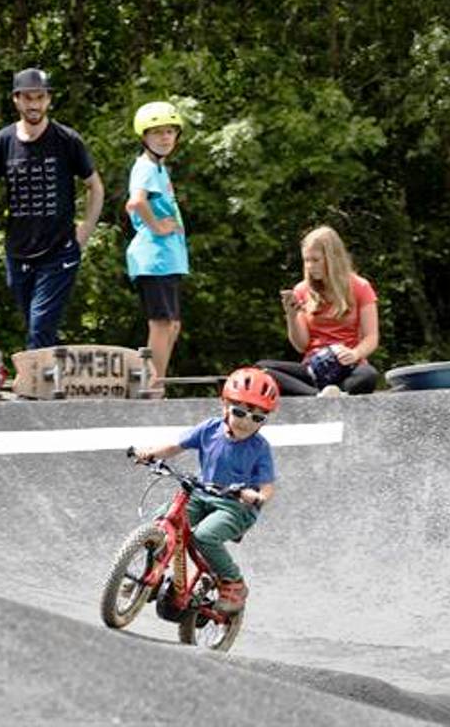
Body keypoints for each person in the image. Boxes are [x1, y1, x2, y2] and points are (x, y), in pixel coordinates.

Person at [0, 67, 104, 349]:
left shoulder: (67, 140)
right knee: (37, 324)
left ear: (48, 100)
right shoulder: (2, 142)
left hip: (60, 249)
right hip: (18, 250)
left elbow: (95, 186)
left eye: (40, 97)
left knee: (40, 323)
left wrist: (85, 230)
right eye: (28, 98)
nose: (34, 105)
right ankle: (56, 378)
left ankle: (33, 389)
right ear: (16, 100)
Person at [131, 367, 280, 614]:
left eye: (258, 418)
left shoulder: (259, 448)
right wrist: (149, 453)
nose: (246, 422)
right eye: (240, 412)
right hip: (203, 494)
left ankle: (234, 583)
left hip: (236, 507)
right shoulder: (209, 430)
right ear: (225, 405)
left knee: (204, 536)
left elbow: (267, 486)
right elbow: (175, 446)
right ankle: (151, 574)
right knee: (163, 521)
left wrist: (258, 497)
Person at [258, 225, 380, 396]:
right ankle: (318, 395)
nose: (309, 266)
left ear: (332, 259)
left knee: (369, 375)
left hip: (348, 365)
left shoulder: (361, 287)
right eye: (306, 260)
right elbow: (301, 346)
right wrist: (291, 316)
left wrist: (355, 353)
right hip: (312, 369)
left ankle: (335, 392)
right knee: (261, 369)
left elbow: (371, 337)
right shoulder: (301, 290)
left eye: (315, 260)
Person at [125, 102, 188, 383]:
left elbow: (133, 205)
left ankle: (155, 381)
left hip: (168, 258)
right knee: (162, 323)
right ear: (144, 137)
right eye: (157, 133)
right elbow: (136, 201)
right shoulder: (147, 167)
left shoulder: (159, 169)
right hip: (156, 257)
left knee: (172, 325)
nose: (165, 138)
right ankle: (153, 385)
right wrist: (157, 227)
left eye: (170, 132)